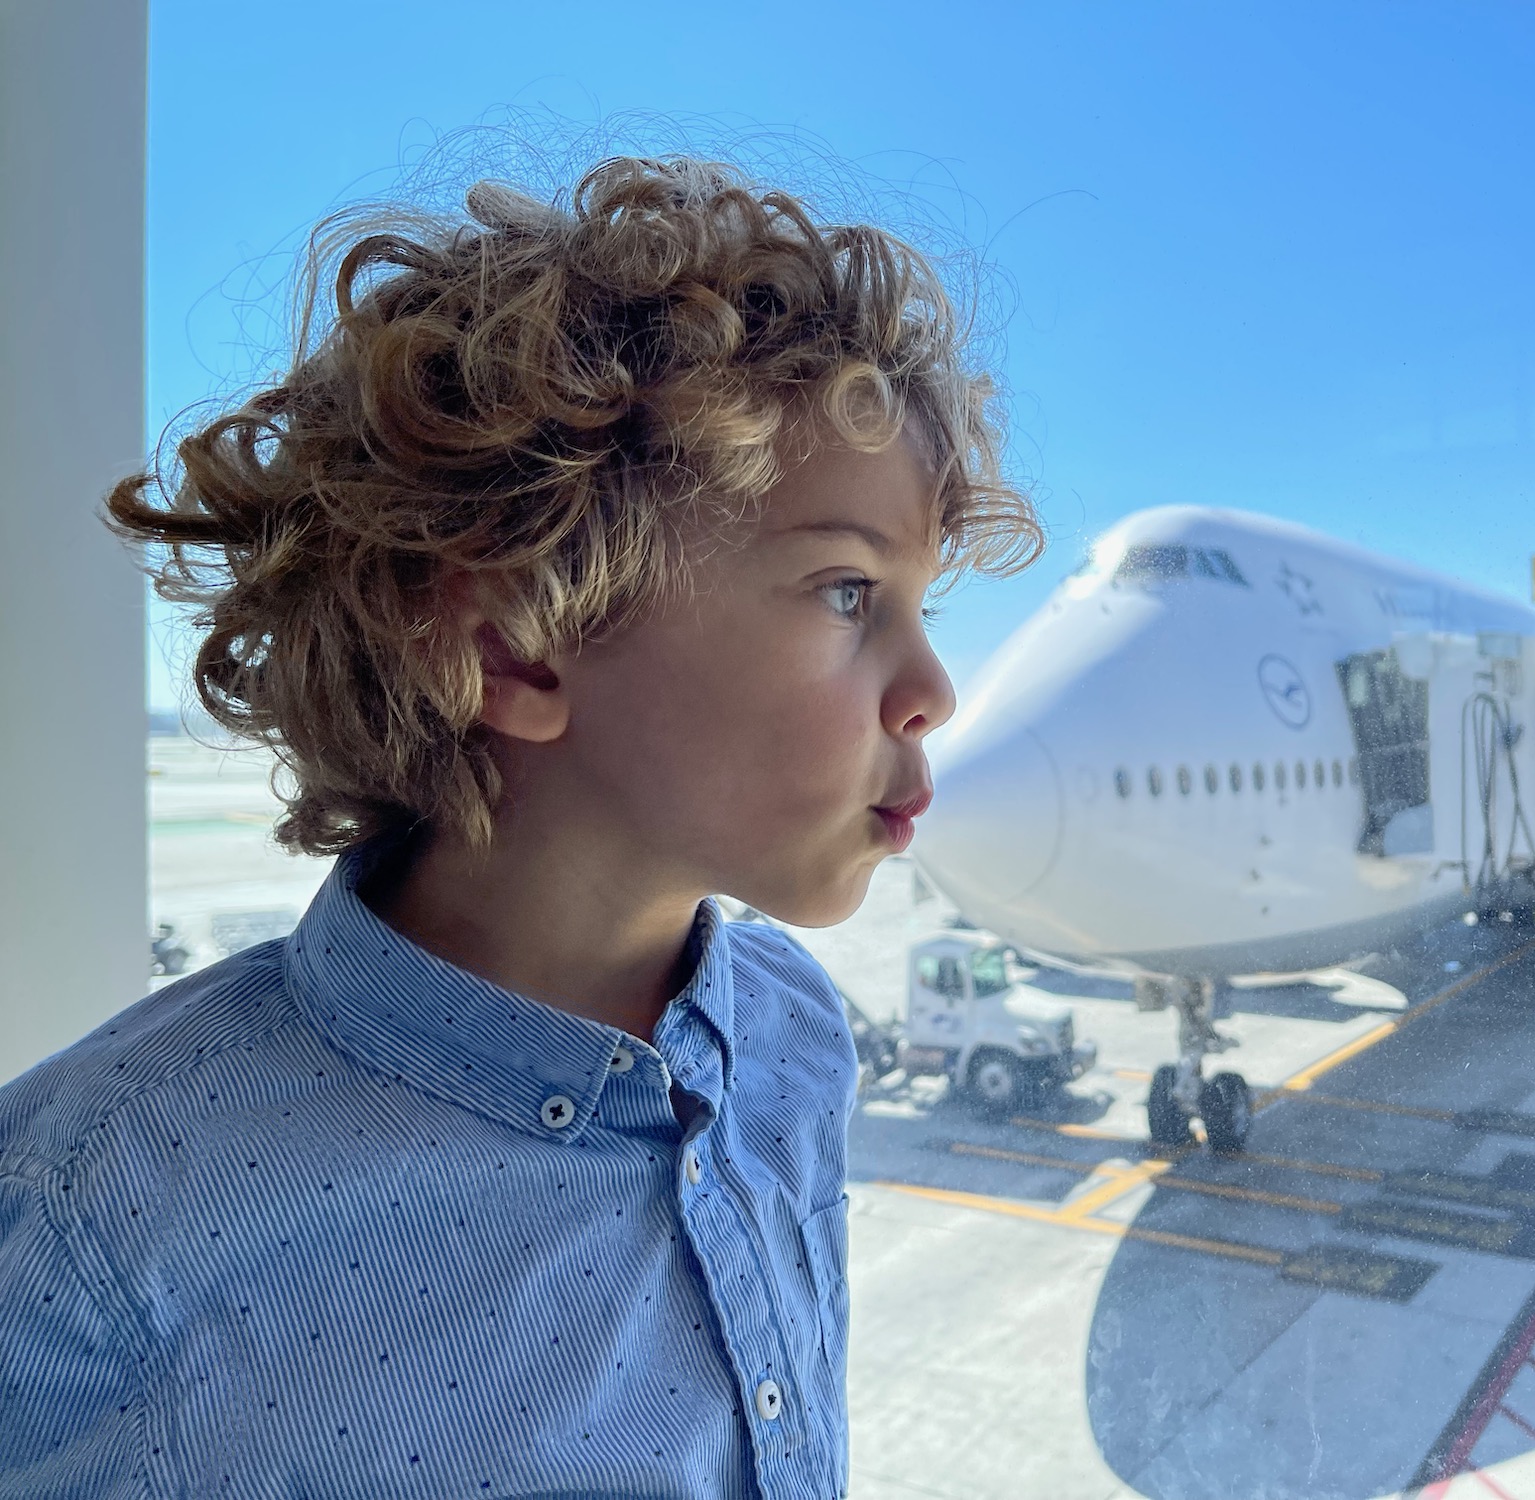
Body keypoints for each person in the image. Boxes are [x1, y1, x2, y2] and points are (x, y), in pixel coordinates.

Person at [0, 155, 1040, 1498]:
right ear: (517, 648)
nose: (935, 690)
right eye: (848, 592)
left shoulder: (791, 1035)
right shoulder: (87, 1213)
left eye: (921, 605)